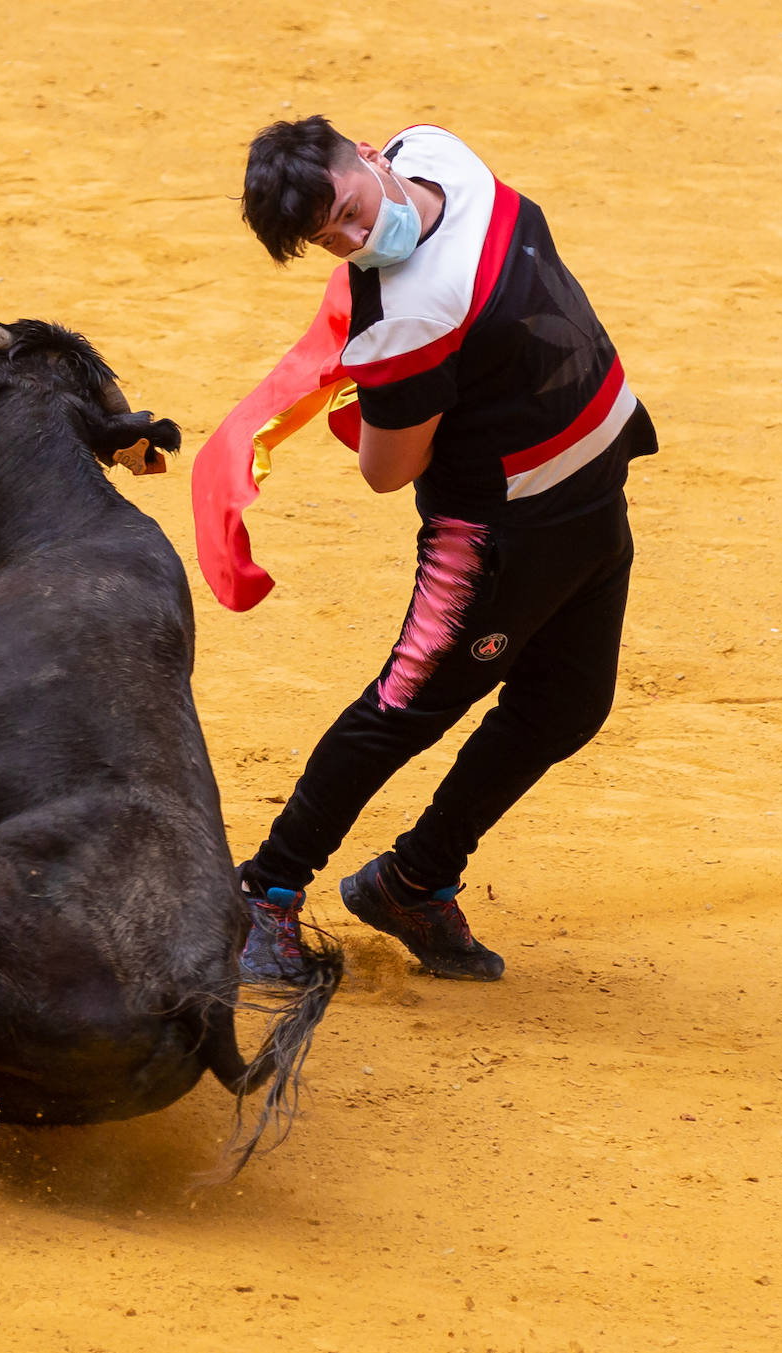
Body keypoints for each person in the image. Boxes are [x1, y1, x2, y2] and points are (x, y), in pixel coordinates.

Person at [227, 116, 657, 984]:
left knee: (567, 707)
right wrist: (381, 385)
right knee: (402, 711)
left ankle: (412, 881)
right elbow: (388, 472)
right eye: (331, 239)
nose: (355, 238)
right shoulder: (404, 317)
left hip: (588, 508)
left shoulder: (437, 149)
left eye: (349, 208)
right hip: (493, 543)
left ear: (372, 155)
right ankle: (264, 891)